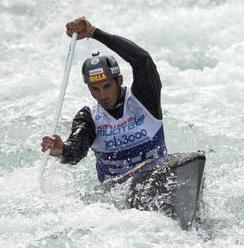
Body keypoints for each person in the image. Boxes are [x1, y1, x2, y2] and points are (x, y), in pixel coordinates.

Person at [41, 17, 174, 215]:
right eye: (94, 89)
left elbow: (142, 59)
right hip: (118, 201)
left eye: (107, 86)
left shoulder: (145, 99)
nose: (102, 95)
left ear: (119, 80)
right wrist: (62, 150)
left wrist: (95, 33)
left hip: (159, 182)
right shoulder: (89, 117)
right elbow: (74, 152)